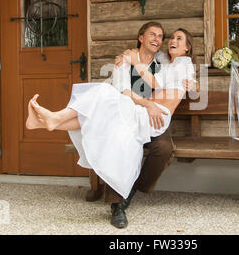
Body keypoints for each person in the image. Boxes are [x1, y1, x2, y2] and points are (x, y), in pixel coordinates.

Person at [25, 25, 195, 229]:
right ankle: (117, 205)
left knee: (164, 148)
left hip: (153, 118)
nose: (158, 40)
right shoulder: (124, 62)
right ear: (141, 38)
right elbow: (124, 94)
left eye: (161, 36)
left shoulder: (165, 61)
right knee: (120, 138)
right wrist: (147, 101)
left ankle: (132, 187)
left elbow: (182, 73)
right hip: (132, 111)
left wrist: (194, 84)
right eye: (152, 35)